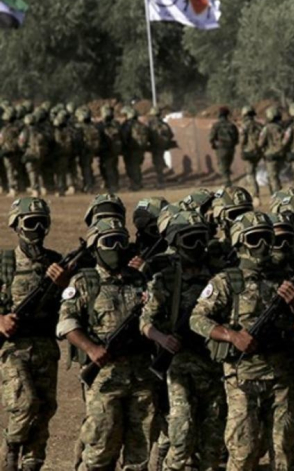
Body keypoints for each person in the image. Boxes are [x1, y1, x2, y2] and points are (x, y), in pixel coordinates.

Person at [190, 211, 294, 470]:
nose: (262, 245)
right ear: (240, 242)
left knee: (283, 452)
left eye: (267, 238)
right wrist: (232, 335)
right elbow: (197, 318)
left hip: (281, 377)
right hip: (243, 378)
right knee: (243, 452)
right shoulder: (227, 280)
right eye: (254, 238)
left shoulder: (284, 279)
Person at [57, 217, 157, 471]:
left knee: (140, 452)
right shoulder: (85, 281)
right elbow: (66, 323)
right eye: (109, 242)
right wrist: (91, 349)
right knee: (100, 448)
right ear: (95, 247)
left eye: (121, 241)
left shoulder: (139, 280)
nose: (116, 248)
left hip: (141, 376)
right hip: (105, 378)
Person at [141, 210, 226, 471]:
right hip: (179, 366)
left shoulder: (219, 277)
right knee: (181, 434)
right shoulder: (165, 279)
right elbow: (145, 321)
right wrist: (162, 338)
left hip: (213, 365)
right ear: (176, 243)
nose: (197, 246)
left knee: (212, 441)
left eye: (202, 239)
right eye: (190, 240)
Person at [0, 198, 69, 471]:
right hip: (13, 348)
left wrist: (64, 284)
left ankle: (32, 462)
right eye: (31, 222)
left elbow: (75, 304)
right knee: (25, 403)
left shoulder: (57, 263)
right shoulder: (4, 263)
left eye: (43, 222)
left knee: (45, 408)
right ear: (16, 225)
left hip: (46, 346)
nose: (37, 229)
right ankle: (11, 446)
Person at [121, 107, 151, 191]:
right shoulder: (141, 125)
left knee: (131, 167)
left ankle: (135, 184)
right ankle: (138, 183)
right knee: (137, 166)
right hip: (140, 149)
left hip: (130, 149)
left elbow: (124, 136)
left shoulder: (127, 125)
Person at [259, 106, 287, 194]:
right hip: (281, 155)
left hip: (270, 156)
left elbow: (260, 143)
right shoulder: (281, 128)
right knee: (276, 176)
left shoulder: (266, 128)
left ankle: (277, 195)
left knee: (273, 177)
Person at [209, 106, 239, 188]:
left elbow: (211, 137)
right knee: (227, 166)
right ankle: (227, 181)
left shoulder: (216, 125)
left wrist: (214, 145)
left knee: (222, 167)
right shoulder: (232, 125)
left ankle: (227, 183)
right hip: (231, 148)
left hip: (221, 148)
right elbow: (236, 139)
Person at [147, 107, 175, 189]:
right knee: (159, 161)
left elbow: (148, 134)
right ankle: (161, 180)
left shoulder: (151, 124)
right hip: (162, 146)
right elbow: (171, 134)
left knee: (157, 164)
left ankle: (160, 182)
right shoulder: (164, 124)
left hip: (155, 146)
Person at [98, 105, 123, 192]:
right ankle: (113, 183)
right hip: (115, 149)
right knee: (113, 166)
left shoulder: (101, 125)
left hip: (105, 149)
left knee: (108, 168)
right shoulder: (117, 124)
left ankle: (112, 185)